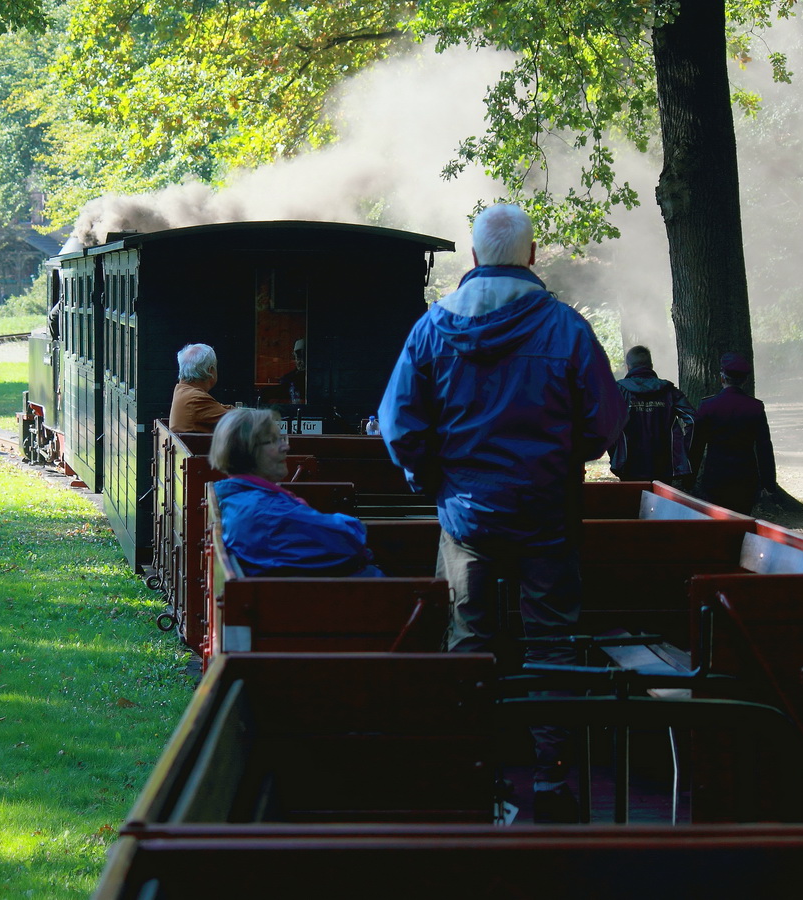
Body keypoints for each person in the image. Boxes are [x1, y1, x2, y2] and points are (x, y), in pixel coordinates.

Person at [378, 202, 627, 823]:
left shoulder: (432, 330)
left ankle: (473, 771)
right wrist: (568, 457)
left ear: (473, 257)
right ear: (533, 255)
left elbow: (398, 424)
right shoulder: (567, 330)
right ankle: (551, 781)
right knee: (553, 643)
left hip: (466, 519)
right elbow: (607, 419)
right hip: (547, 513)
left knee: (470, 640)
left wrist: (429, 478)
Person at [208, 407, 383, 577]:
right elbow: (349, 539)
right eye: (274, 440)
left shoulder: (234, 497)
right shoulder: (267, 512)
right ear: (246, 449)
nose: (285, 447)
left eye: (282, 438)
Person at [688, 351, 777, 515]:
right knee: (742, 522)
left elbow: (696, 445)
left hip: (715, 477)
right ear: (745, 380)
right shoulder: (755, 407)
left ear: (722, 377)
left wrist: (689, 480)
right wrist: (769, 483)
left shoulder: (708, 406)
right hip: (745, 478)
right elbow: (764, 447)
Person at [608, 345, 695, 483]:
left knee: (632, 503)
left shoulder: (618, 391)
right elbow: (692, 420)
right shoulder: (669, 391)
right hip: (664, 466)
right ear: (651, 366)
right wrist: (682, 452)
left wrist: (616, 455)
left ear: (628, 367)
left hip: (629, 466)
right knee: (661, 504)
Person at [169, 343, 234, 433]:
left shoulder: (183, 391)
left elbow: (218, 408)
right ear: (210, 371)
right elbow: (237, 421)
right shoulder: (195, 398)